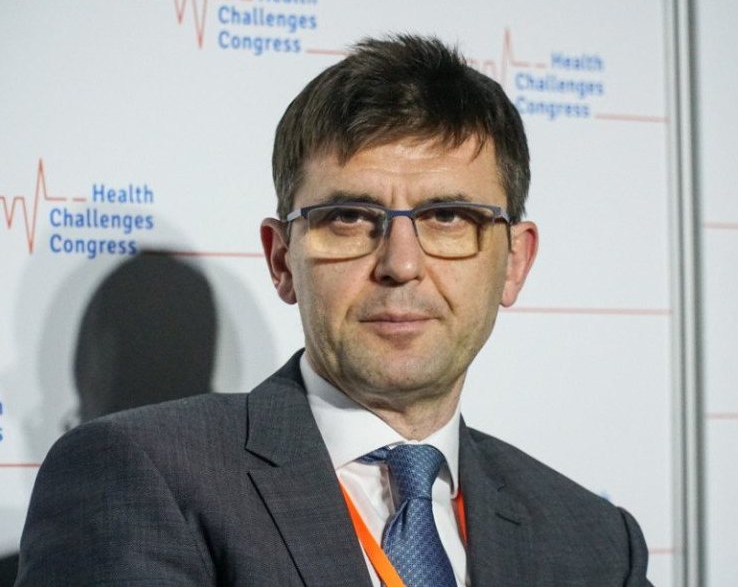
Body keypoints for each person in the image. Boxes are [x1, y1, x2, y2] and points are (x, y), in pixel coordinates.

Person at [16, 35, 652, 586]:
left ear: (514, 261)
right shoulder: (139, 476)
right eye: (348, 217)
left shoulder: (595, 542)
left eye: (448, 217)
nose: (400, 263)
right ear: (282, 260)